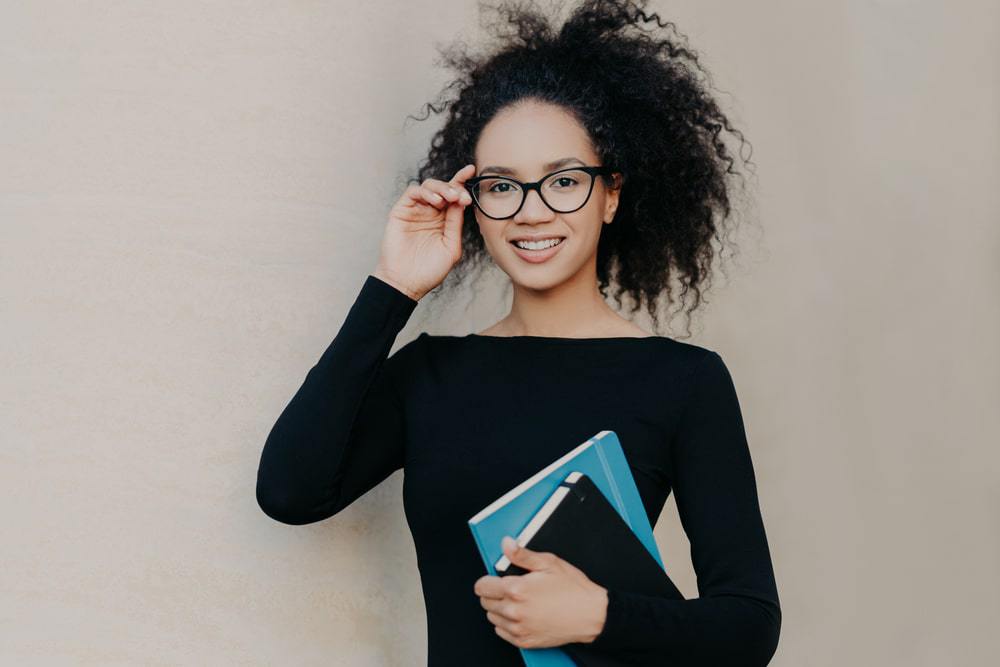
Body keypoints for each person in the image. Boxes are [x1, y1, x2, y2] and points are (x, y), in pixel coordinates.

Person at [255, 0, 781, 664]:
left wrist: (599, 615)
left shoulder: (685, 382)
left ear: (611, 192)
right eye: (503, 186)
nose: (532, 213)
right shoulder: (430, 374)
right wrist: (393, 286)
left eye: (563, 181)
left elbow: (749, 624)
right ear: (475, 201)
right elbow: (289, 491)